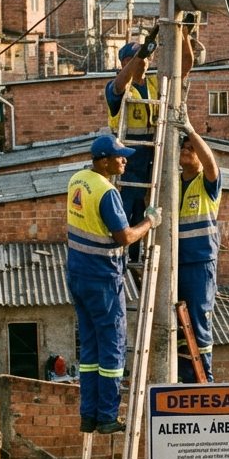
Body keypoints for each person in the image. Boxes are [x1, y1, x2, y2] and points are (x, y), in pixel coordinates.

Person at [65, 134, 162, 434]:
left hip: (77, 274)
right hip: (102, 278)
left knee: (91, 348)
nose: (125, 160)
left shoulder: (77, 180)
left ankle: (88, 415)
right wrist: (150, 222)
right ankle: (106, 416)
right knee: (112, 348)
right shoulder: (106, 193)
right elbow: (124, 237)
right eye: (119, 156)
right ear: (103, 160)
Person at [104, 24, 196, 256]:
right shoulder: (120, 89)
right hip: (126, 165)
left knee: (144, 217)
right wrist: (140, 54)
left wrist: (184, 35)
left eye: (146, 56)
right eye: (136, 57)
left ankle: (136, 264)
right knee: (123, 221)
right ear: (125, 63)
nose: (144, 61)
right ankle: (119, 261)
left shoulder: (156, 84)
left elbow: (184, 66)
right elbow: (119, 84)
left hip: (151, 163)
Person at [174, 114, 221, 382]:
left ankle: (205, 381)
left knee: (199, 321)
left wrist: (191, 131)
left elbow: (211, 163)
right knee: (179, 326)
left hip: (200, 262)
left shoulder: (207, 183)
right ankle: (184, 376)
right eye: (183, 146)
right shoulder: (173, 182)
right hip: (175, 262)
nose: (186, 150)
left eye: (191, 148)